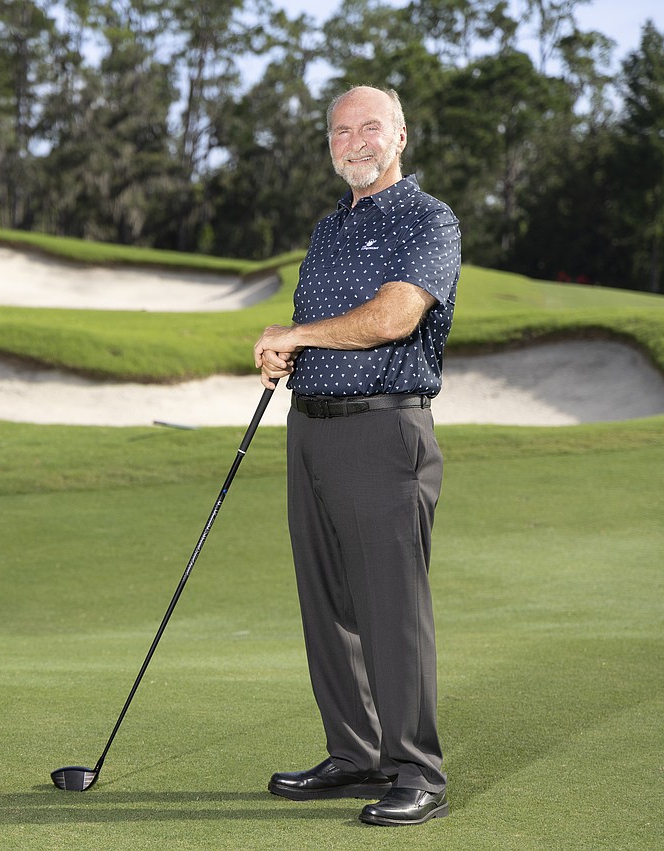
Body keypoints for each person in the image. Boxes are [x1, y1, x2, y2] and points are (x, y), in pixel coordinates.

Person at [253, 85, 460, 827]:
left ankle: (417, 770)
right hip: (311, 426)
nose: (355, 140)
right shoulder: (326, 229)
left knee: (390, 609)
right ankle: (356, 752)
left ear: (401, 134)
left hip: (384, 430)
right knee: (328, 602)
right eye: (341, 130)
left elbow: (392, 318)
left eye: (370, 126)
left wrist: (299, 334)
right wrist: (288, 356)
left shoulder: (427, 219)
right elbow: (324, 328)